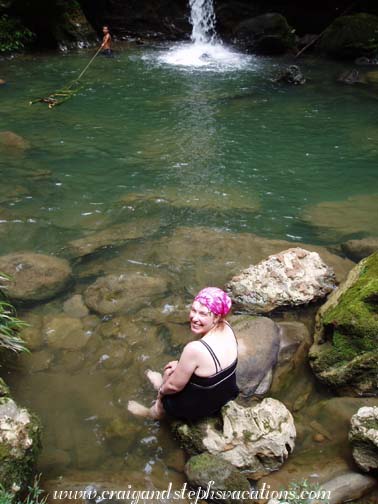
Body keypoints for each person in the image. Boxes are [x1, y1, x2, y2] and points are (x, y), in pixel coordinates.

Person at [128, 287, 239, 421]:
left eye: (203, 314)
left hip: (203, 406)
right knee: (177, 367)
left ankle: (153, 413)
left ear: (216, 317)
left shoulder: (194, 349)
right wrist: (181, 366)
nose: (194, 318)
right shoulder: (227, 327)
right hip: (226, 393)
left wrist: (162, 391)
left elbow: (174, 387)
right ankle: (164, 382)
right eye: (193, 310)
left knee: (169, 372)